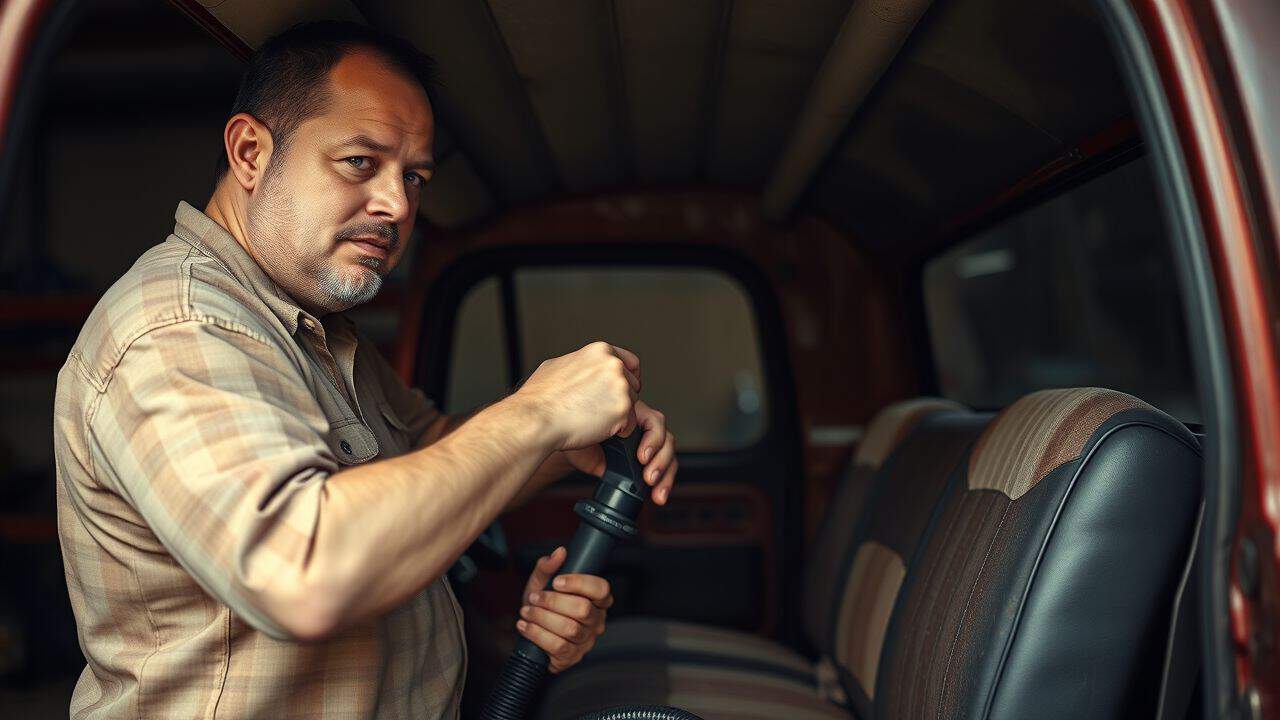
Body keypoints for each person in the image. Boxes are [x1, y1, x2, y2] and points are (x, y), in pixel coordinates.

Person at [52, 21, 676, 719]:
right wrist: (537, 411)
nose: (399, 205)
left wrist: (565, 443)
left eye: (414, 176)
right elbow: (298, 568)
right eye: (359, 162)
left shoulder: (316, 332)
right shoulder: (180, 328)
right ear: (251, 152)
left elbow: (436, 456)